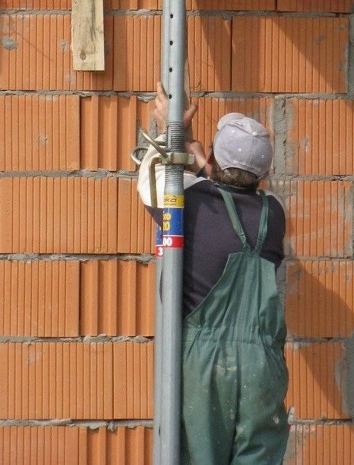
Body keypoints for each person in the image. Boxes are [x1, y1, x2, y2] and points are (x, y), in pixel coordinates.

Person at [137, 84, 289, 465]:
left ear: (215, 164)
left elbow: (151, 182)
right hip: (262, 367)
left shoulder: (191, 204)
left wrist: (168, 133)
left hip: (205, 365)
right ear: (264, 171)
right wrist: (202, 157)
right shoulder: (274, 214)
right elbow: (225, 186)